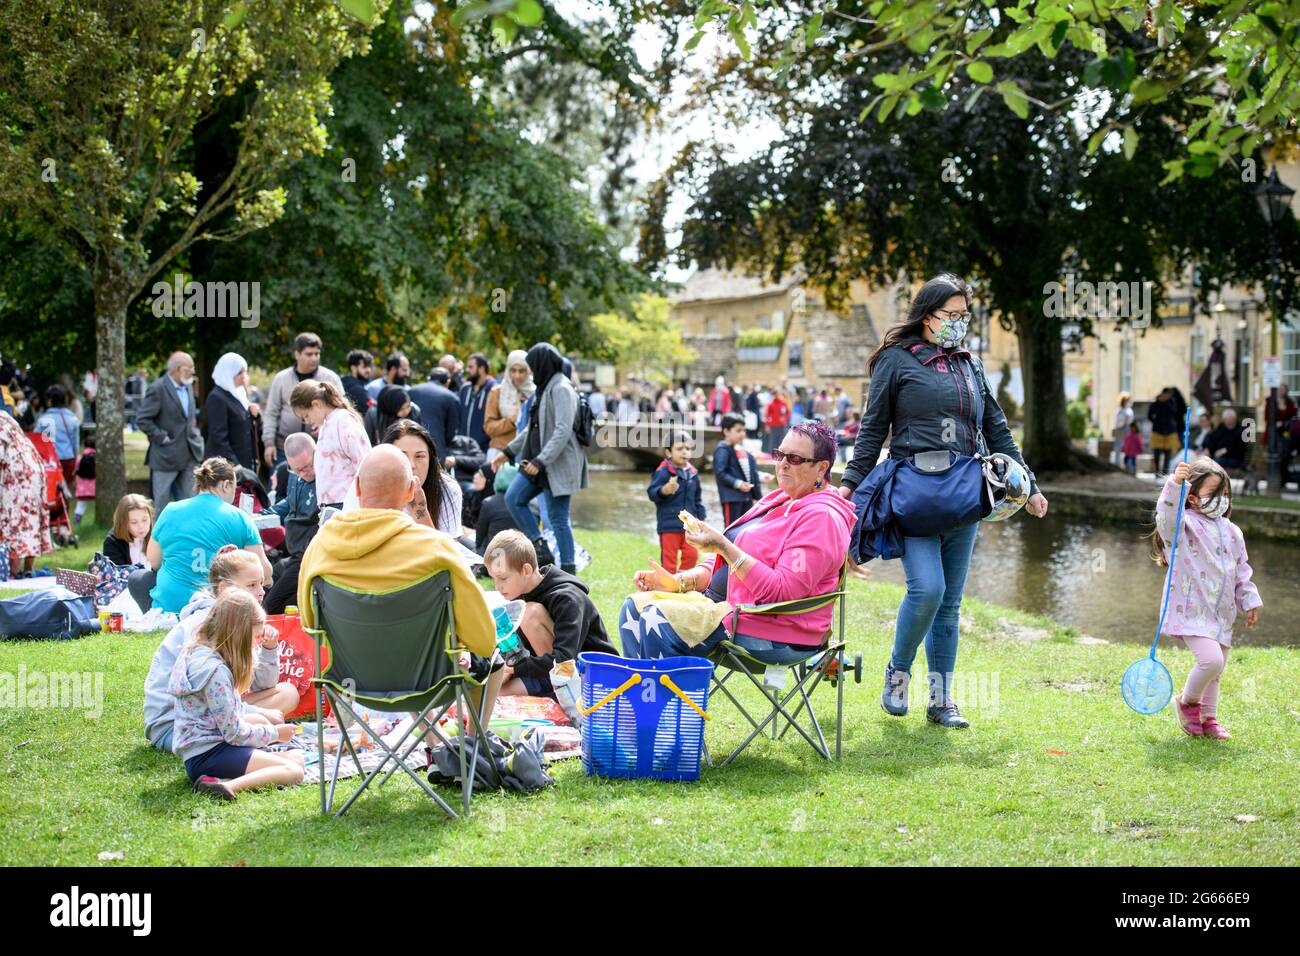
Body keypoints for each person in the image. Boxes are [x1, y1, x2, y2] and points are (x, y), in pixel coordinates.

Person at [839, 274, 1048, 728]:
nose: (957, 323)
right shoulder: (896, 360)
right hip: (914, 489)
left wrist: (1027, 483)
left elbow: (996, 426)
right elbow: (873, 429)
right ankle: (897, 671)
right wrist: (849, 486)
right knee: (927, 590)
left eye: (963, 316)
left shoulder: (970, 365)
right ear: (926, 315)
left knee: (950, 604)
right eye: (949, 315)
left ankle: (941, 700)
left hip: (965, 491)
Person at [620, 421, 857, 665]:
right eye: (780, 454)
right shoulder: (780, 498)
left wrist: (723, 546)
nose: (782, 463)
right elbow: (723, 563)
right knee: (633, 607)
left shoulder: (822, 518)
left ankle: (665, 700)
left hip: (773, 630)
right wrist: (679, 582)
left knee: (653, 616)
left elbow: (782, 593)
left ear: (821, 468)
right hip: (725, 608)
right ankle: (641, 699)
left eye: (795, 458)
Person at [296, 445, 504, 719]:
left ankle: (434, 745)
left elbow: (310, 624)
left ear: (357, 488)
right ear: (410, 492)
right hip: (433, 684)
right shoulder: (436, 549)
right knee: (494, 660)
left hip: (350, 683)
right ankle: (474, 743)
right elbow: (484, 640)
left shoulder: (319, 546)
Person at [145, 548, 298, 753]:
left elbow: (262, 684)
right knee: (268, 717)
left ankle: (251, 724)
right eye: (251, 585)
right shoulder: (211, 624)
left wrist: (269, 650)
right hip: (177, 724)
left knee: (288, 693)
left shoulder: (239, 619)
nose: (261, 591)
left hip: (212, 705)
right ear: (225, 588)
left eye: (261, 583)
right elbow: (203, 697)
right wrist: (257, 717)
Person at [1153, 459, 1262, 740]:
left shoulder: (1233, 532)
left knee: (1217, 669)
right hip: (1191, 610)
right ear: (1193, 498)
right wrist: (1174, 486)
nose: (1221, 500)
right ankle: (1187, 702)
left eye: (1225, 494)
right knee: (1211, 661)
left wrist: (1249, 599)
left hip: (1222, 613)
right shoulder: (1183, 527)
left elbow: (1241, 570)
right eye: (1214, 494)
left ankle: (1208, 719)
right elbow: (1166, 517)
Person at [170, 589, 305, 800]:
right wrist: (276, 734)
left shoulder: (200, 654)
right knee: (295, 769)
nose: (257, 642)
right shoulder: (216, 672)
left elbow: (226, 711)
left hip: (202, 748)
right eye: (256, 636)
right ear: (239, 634)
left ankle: (222, 779)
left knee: (286, 746)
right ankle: (228, 786)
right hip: (209, 754)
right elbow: (235, 733)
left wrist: (265, 720)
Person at [129, 457, 272, 614]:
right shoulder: (240, 517)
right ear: (226, 485)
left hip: (171, 607)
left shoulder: (171, 510)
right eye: (235, 487)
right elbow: (264, 571)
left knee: (137, 578)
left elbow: (154, 562)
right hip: (219, 605)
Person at [484, 530, 617, 699]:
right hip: (549, 669)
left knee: (530, 612)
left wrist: (514, 668)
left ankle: (556, 696)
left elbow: (563, 659)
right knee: (487, 694)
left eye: (503, 578)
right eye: (493, 578)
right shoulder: (520, 592)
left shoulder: (568, 598)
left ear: (526, 570)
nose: (497, 586)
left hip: (595, 679)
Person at [503, 343, 587, 573]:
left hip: (555, 465)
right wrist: (508, 451)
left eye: (532, 367)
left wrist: (541, 461)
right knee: (513, 498)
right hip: (538, 464)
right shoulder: (544, 387)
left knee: (558, 518)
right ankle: (541, 548)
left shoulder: (561, 388)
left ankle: (569, 571)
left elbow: (562, 430)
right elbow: (532, 428)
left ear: (542, 364)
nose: (530, 372)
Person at [352, 418, 462, 535]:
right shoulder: (370, 481)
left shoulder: (448, 489)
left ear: (431, 459)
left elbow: (446, 551)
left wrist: (420, 512)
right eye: (402, 456)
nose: (411, 465)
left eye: (420, 456)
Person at [261, 332, 343, 469]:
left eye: (317, 354)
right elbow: (271, 413)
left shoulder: (330, 378)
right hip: (285, 449)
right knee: (280, 487)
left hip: (321, 446)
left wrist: (325, 424)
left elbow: (341, 409)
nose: (314, 358)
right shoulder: (281, 378)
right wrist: (269, 443)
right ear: (297, 354)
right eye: (309, 354)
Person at [136, 352, 204, 510]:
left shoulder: (188, 386)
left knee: (191, 504)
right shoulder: (157, 388)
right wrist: (162, 437)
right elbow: (142, 420)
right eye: (190, 368)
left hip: (190, 454)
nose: (193, 372)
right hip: (165, 457)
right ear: (178, 369)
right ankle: (158, 536)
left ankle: (187, 535)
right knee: (161, 505)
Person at [290, 380, 370, 509]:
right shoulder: (327, 424)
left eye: (306, 415)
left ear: (316, 404)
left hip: (347, 504)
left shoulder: (344, 422)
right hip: (330, 504)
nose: (307, 421)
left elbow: (364, 463)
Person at [262, 433, 319, 615]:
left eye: (307, 466)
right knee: (268, 584)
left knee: (270, 606)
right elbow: (290, 502)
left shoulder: (327, 480)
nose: (304, 473)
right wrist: (265, 514)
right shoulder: (295, 476)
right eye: (297, 470)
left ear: (317, 453)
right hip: (293, 552)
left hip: (307, 555)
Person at [0, 410, 52, 579]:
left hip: (17, 473)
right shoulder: (4, 416)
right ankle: (27, 569)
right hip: (32, 466)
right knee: (30, 520)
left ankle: (11, 573)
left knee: (13, 520)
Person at [648, 431, 706, 574]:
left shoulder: (693, 473)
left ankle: (684, 584)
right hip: (669, 524)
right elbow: (651, 493)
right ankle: (669, 588)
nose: (684, 452)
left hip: (690, 525)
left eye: (688, 448)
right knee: (669, 561)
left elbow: (697, 499)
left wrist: (701, 517)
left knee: (692, 555)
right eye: (679, 449)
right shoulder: (663, 471)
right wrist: (664, 490)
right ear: (668, 452)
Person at [204, 352, 259, 470]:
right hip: (227, 467)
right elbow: (218, 436)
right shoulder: (217, 397)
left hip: (242, 462)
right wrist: (234, 463)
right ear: (228, 373)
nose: (244, 376)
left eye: (245, 371)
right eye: (240, 372)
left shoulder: (238, 393)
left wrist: (254, 415)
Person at [482, 350, 534, 463]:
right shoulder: (497, 392)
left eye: (522, 371)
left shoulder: (534, 393)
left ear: (528, 371)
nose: (517, 375)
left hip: (527, 454)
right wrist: (511, 421)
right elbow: (489, 427)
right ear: (507, 370)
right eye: (513, 370)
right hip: (500, 452)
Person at [475, 463, 536, 556]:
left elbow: (479, 539)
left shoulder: (489, 503)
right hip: (523, 557)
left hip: (494, 558)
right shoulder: (533, 504)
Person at [714, 413, 763, 527]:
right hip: (732, 498)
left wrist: (760, 476)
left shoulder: (741, 450)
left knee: (745, 527)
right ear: (726, 431)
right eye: (738, 430)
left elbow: (746, 472)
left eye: (744, 430)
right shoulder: (723, 450)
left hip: (746, 497)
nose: (742, 434)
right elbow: (720, 473)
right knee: (731, 527)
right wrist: (738, 484)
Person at [408, 366, 461, 462]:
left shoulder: (411, 391)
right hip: (436, 448)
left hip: (410, 443)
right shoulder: (451, 397)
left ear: (429, 378)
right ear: (448, 382)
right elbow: (451, 431)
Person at [36, 384, 80, 490]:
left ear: (50, 401)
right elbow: (75, 444)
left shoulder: (45, 420)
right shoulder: (72, 418)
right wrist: (75, 459)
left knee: (51, 491)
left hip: (51, 461)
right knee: (65, 492)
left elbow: (41, 443)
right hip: (69, 460)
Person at [458, 352, 496, 451]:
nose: (467, 370)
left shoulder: (494, 389)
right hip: (462, 448)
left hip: (483, 449)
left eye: (471, 367)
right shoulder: (465, 389)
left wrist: (483, 439)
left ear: (481, 369)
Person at [103, 493, 154, 567]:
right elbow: (116, 574)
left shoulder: (157, 537)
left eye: (144, 520)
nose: (141, 526)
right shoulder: (113, 542)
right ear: (123, 523)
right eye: (134, 522)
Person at [1147, 386, 1186, 476]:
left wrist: (1167, 402)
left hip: (1169, 431)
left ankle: (1165, 472)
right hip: (1157, 431)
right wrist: (1156, 421)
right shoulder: (1156, 403)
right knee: (1157, 452)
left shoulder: (1172, 402)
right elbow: (1150, 415)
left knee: (1168, 453)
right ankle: (1157, 471)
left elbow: (1174, 412)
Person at [340, 349, 374, 413]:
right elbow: (371, 411)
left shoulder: (345, 382)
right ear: (353, 368)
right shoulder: (356, 389)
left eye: (369, 366)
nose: (369, 370)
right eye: (364, 367)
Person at [72, 434, 96, 528]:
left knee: (81, 505)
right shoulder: (97, 457)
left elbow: (75, 470)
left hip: (82, 488)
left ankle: (76, 524)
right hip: (95, 487)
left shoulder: (80, 457)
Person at [763, 387, 790, 454]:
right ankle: (772, 454)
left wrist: (785, 418)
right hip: (773, 425)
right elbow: (767, 415)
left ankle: (781, 453)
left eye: (776, 394)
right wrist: (767, 425)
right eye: (774, 394)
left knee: (781, 439)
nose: (775, 396)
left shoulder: (783, 403)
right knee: (773, 440)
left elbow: (788, 413)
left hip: (781, 425)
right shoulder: (770, 404)